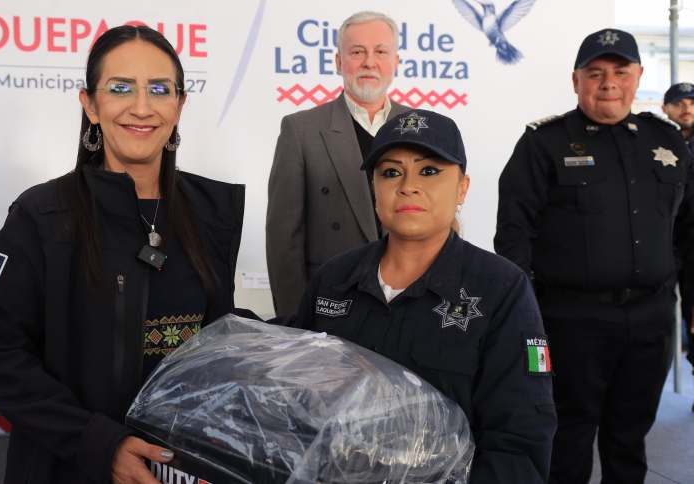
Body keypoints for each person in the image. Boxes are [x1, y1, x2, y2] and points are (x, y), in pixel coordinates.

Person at [0, 26, 245, 484]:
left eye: (159, 89)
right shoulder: (43, 215)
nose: (141, 106)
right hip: (70, 466)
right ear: (90, 104)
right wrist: (96, 443)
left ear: (179, 104)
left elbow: (214, 335)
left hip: (182, 465)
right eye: (120, 88)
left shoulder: (210, 212)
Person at [292, 109, 556, 483]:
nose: (408, 186)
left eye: (429, 171)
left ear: (462, 187)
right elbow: (294, 406)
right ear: (374, 188)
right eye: (391, 172)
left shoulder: (500, 288)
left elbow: (518, 442)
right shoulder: (334, 279)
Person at [495, 28, 694, 484]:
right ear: (576, 81)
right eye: (596, 73)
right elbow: (513, 235)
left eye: (620, 71)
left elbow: (688, 231)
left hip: (650, 319)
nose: (609, 83)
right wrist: (524, 317)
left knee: (630, 437)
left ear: (638, 76)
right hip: (570, 321)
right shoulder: (543, 144)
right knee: (567, 438)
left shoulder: (666, 142)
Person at [266, 10, 408, 318]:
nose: (369, 62)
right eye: (357, 52)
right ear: (338, 61)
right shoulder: (300, 130)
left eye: (380, 51)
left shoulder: (419, 128)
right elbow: (283, 240)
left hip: (409, 305)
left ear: (396, 62)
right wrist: (296, 320)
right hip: (333, 305)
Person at [663, 82, 694, 411]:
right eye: (678, 103)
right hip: (668, 250)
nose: (686, 108)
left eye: (691, 102)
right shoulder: (657, 146)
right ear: (665, 108)